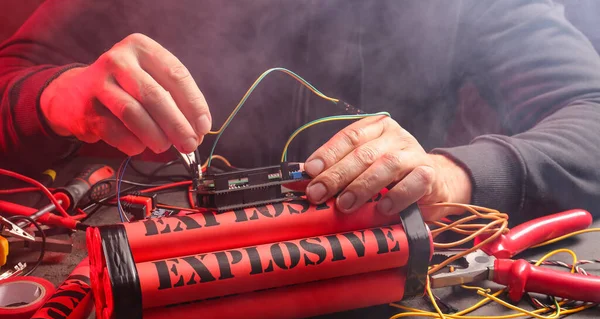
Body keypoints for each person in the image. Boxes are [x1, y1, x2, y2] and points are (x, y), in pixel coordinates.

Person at [1, 0, 600, 223]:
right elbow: (13, 77)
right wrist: (55, 97)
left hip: (398, 292)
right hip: (165, 280)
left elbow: (591, 113)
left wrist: (451, 175)